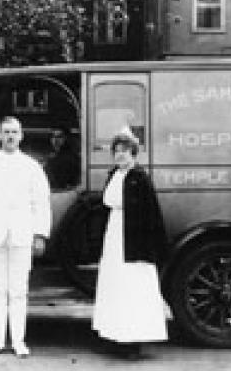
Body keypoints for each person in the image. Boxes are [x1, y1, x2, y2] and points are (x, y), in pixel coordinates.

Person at [0, 116, 51, 358]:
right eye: (6, 132)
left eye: (14, 132)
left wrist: (40, 234)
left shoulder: (32, 166)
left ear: (22, 136)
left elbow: (42, 203)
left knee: (18, 289)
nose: (10, 137)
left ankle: (18, 341)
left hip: (22, 235)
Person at [92, 128, 168, 359]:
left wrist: (153, 248)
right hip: (114, 236)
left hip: (134, 242)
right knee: (115, 287)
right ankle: (115, 337)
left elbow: (152, 214)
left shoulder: (139, 178)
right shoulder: (114, 174)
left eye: (125, 151)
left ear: (133, 153)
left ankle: (133, 343)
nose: (120, 155)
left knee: (132, 290)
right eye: (116, 151)